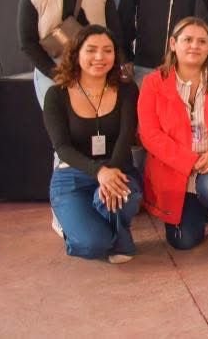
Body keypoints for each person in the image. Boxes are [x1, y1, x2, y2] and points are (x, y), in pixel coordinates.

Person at [137, 17, 208, 251]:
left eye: (202, 41)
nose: (194, 46)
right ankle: (200, 207)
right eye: (188, 40)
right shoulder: (152, 83)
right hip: (177, 169)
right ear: (173, 44)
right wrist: (189, 161)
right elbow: (149, 134)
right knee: (184, 242)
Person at [43, 25, 142, 263]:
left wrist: (111, 172)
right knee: (93, 244)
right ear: (76, 53)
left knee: (122, 196)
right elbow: (62, 148)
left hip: (118, 169)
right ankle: (73, 225)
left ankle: (116, 232)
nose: (100, 57)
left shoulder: (127, 89)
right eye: (91, 50)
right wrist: (99, 172)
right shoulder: (56, 94)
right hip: (73, 176)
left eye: (107, 50)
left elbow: (126, 136)